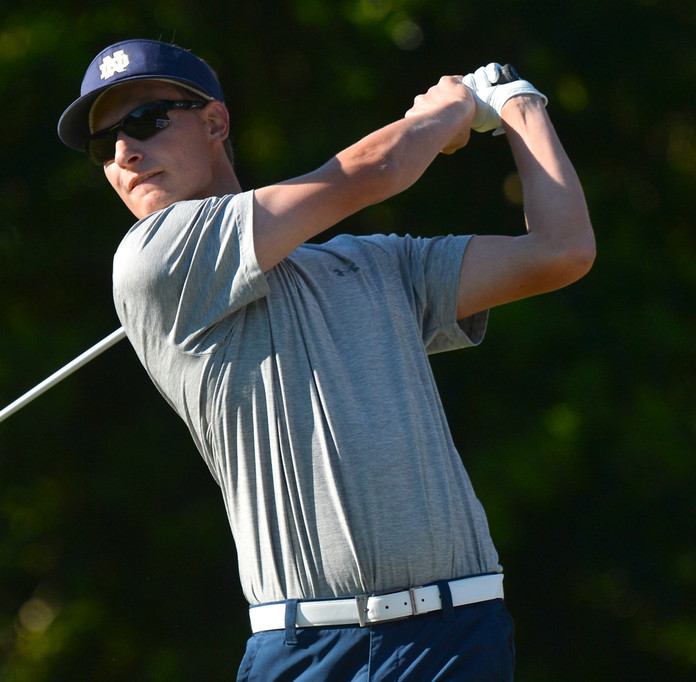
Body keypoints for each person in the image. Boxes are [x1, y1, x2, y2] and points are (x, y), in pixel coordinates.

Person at [58, 39, 594, 681]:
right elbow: (373, 171)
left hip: (455, 640)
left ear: (214, 123)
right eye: (103, 145)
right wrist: (447, 113)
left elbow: (561, 251)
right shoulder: (151, 260)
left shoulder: (376, 265)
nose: (124, 153)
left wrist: (517, 104)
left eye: (143, 120)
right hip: (308, 650)